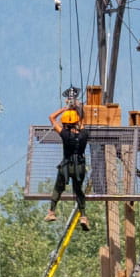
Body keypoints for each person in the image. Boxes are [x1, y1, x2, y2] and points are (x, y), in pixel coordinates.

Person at [44, 86, 90, 229]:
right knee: (78, 190)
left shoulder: (64, 134)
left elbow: (51, 118)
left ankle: (51, 211)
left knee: (58, 188)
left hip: (66, 165)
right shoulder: (84, 134)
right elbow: (84, 118)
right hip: (80, 166)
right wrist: (77, 106)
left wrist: (65, 109)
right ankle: (83, 216)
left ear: (65, 123)